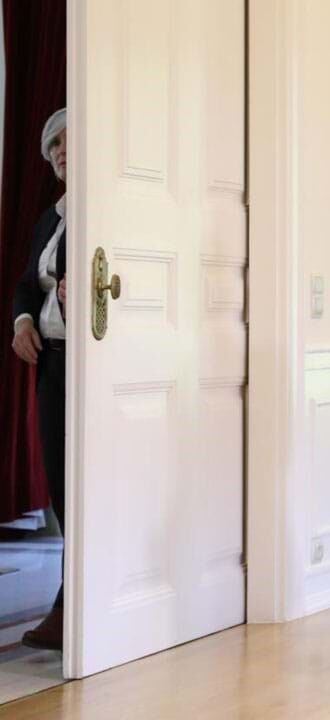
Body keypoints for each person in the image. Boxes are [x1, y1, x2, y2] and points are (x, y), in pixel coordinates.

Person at [10, 107, 68, 651]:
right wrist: (23, 321)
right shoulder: (50, 219)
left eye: (70, 141)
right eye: (54, 146)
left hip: (90, 362)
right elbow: (29, 282)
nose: (61, 151)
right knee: (60, 480)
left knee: (86, 483)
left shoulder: (108, 213)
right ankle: (70, 600)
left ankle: (71, 605)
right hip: (51, 363)